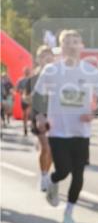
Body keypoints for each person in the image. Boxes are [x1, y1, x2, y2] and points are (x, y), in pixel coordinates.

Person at [32, 30, 98, 223]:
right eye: (67, 43)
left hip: (81, 132)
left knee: (78, 174)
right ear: (61, 48)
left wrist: (94, 114)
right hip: (58, 131)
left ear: (81, 46)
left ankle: (69, 213)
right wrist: (40, 116)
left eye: (75, 42)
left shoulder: (90, 71)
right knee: (63, 170)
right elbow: (38, 96)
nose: (72, 46)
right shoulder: (51, 71)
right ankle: (53, 181)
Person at [19, 47, 55, 191]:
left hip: (53, 115)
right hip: (38, 114)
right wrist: (34, 95)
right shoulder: (33, 79)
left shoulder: (58, 76)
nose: (47, 58)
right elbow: (25, 98)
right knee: (45, 147)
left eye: (49, 56)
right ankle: (44, 175)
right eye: (43, 56)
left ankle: (47, 174)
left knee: (51, 150)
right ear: (38, 60)